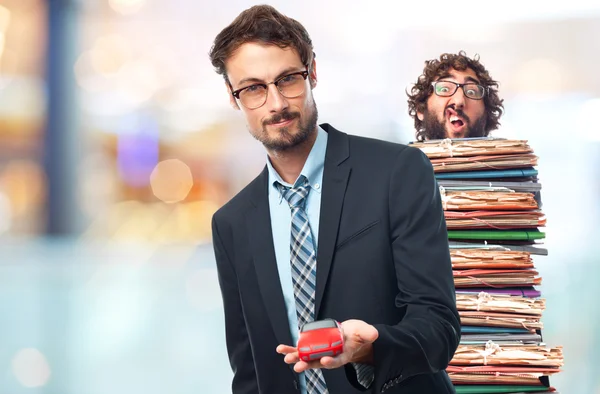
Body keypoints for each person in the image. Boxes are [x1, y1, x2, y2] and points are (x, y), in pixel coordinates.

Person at [209, 5, 460, 393]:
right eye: (254, 88)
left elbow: (438, 327)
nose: (276, 103)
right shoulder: (232, 223)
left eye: (287, 79)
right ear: (233, 96)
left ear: (312, 73)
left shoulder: (397, 172)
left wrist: (371, 347)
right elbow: (249, 370)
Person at [407, 51, 504, 141]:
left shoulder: (513, 159)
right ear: (421, 110)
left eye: (471, 92)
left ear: (486, 113)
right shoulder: (402, 159)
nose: (459, 101)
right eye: (444, 89)